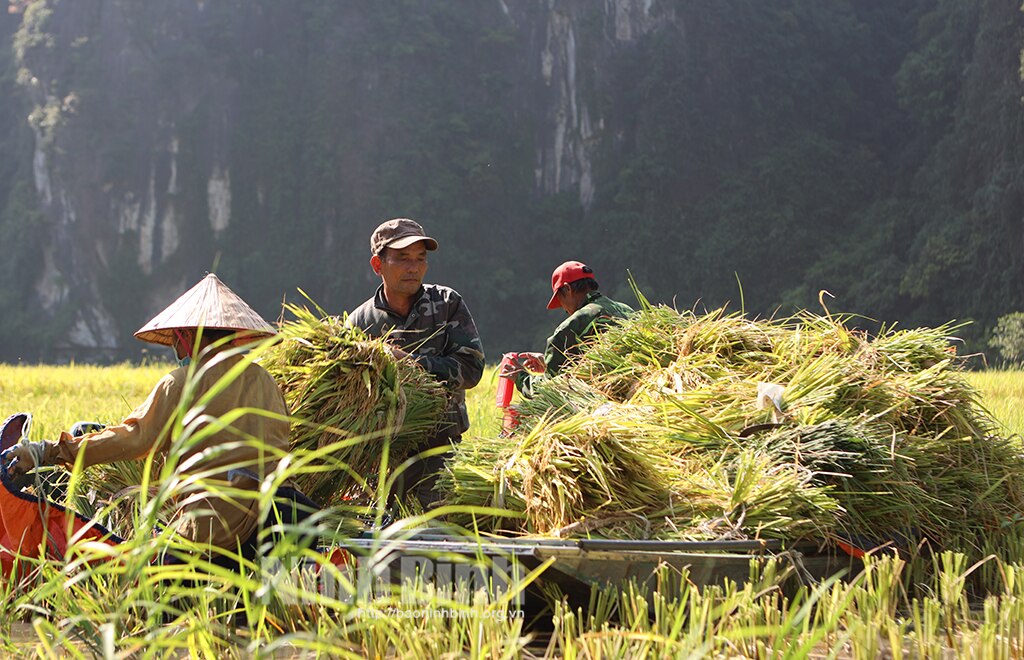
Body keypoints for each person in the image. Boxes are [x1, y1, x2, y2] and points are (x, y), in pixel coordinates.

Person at [0, 273, 317, 567]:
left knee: (140, 575)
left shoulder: (181, 383)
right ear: (233, 335)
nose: (177, 350)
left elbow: (132, 438)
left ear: (185, 336)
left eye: (177, 342)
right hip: (283, 515)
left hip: (216, 531)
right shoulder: (267, 382)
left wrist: (47, 452)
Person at [348, 218, 484, 507]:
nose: (413, 267)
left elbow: (471, 369)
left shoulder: (447, 304)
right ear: (377, 265)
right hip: (381, 457)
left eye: (420, 259)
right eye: (402, 258)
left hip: (440, 449)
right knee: (378, 539)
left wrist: (410, 363)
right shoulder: (359, 323)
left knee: (440, 537)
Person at [509, 261, 633, 397]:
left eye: (560, 300)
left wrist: (520, 377)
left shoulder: (574, 324)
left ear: (567, 289)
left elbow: (550, 391)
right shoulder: (626, 310)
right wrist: (547, 362)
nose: (564, 309)